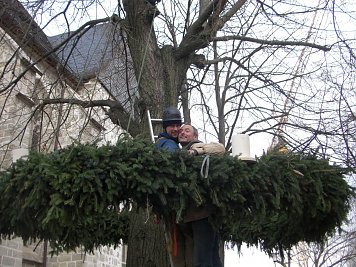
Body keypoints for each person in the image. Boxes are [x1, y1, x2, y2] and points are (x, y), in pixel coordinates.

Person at [177, 123, 225, 267]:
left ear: (195, 136)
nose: (182, 133)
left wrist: (196, 152)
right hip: (194, 216)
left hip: (203, 215)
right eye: (181, 131)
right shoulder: (181, 153)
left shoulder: (198, 147)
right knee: (211, 258)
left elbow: (220, 148)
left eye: (187, 130)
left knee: (202, 261)